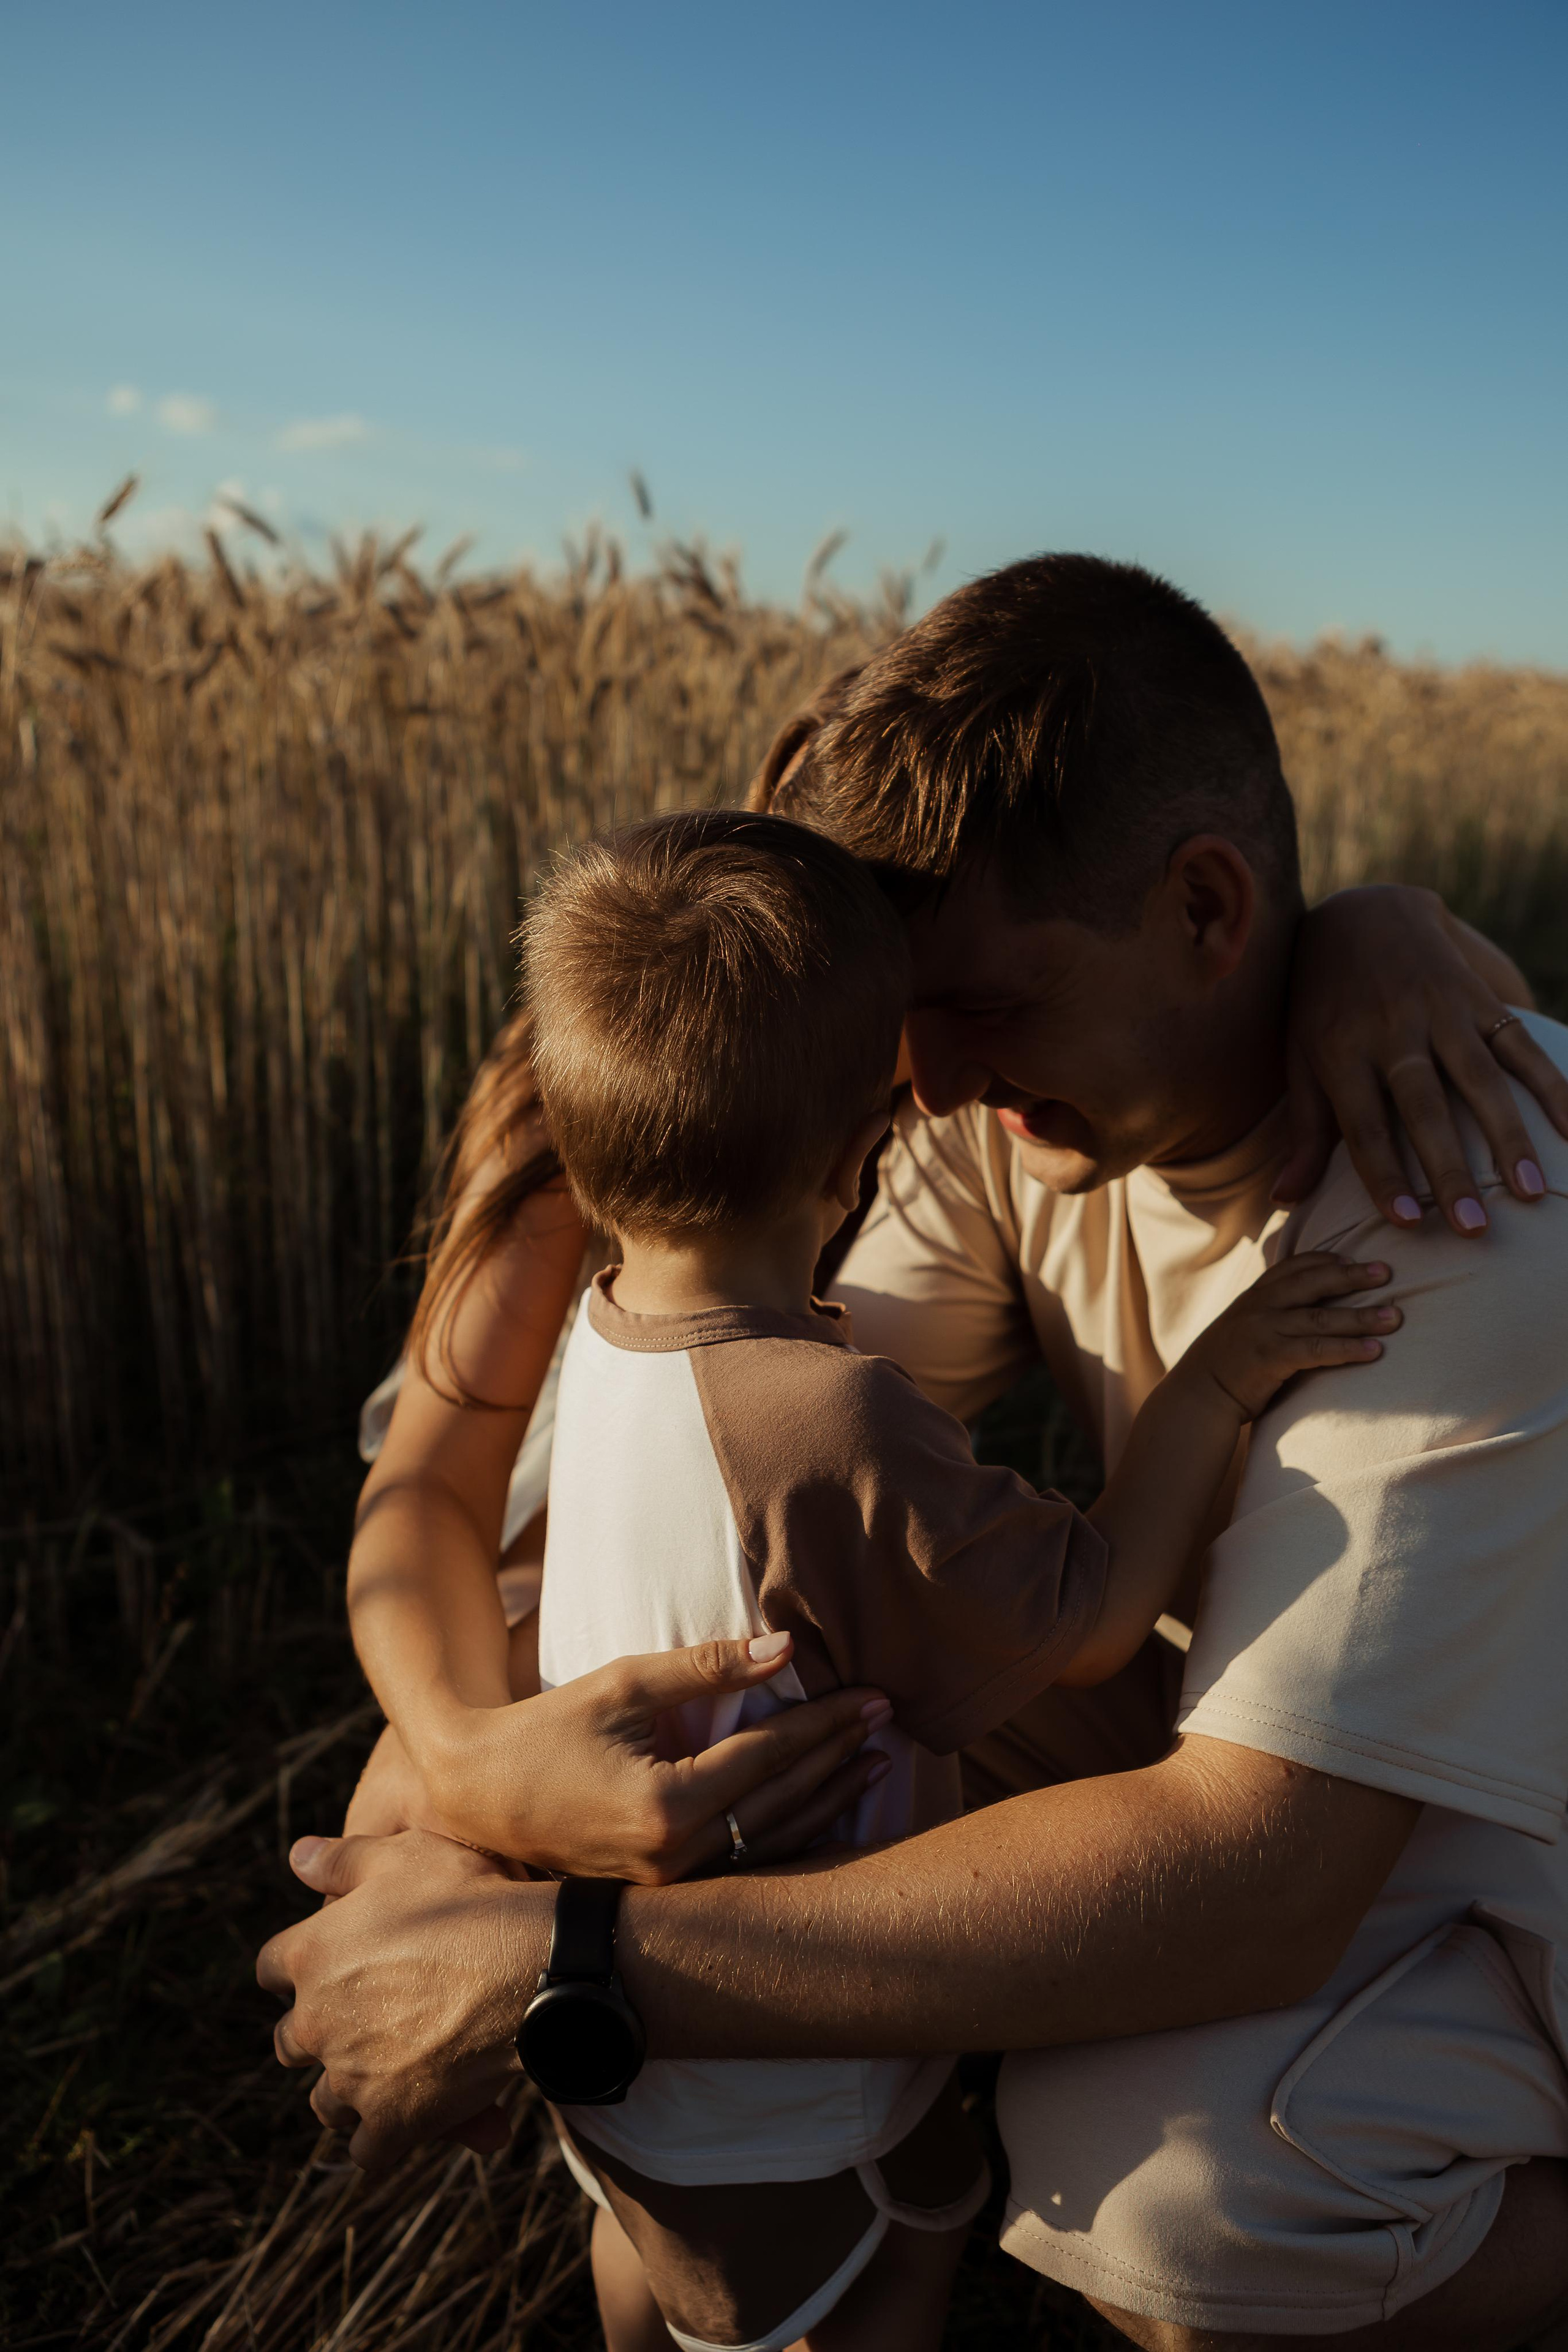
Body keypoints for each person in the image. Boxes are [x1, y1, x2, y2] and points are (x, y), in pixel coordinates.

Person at [263, 556, 1568, 2352]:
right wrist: (468, 1790)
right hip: (1304, 1767)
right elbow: (755, 1489)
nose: (924, 1086)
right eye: (906, 1021)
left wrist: (568, 1975)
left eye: (986, 1010)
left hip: (1503, 1866)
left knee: (1185, 2208)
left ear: (1208, 907)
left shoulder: (1468, 1203)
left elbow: (1260, 1881)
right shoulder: (1012, 1119)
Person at [359, 803, 1397, 2352]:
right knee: (883, 2285)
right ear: (860, 1151)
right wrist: (1219, 1379)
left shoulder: (605, 1320)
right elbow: (1099, 1612)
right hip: (785, 2086)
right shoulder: (828, 1418)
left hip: (633, 2084)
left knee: (653, 2288)